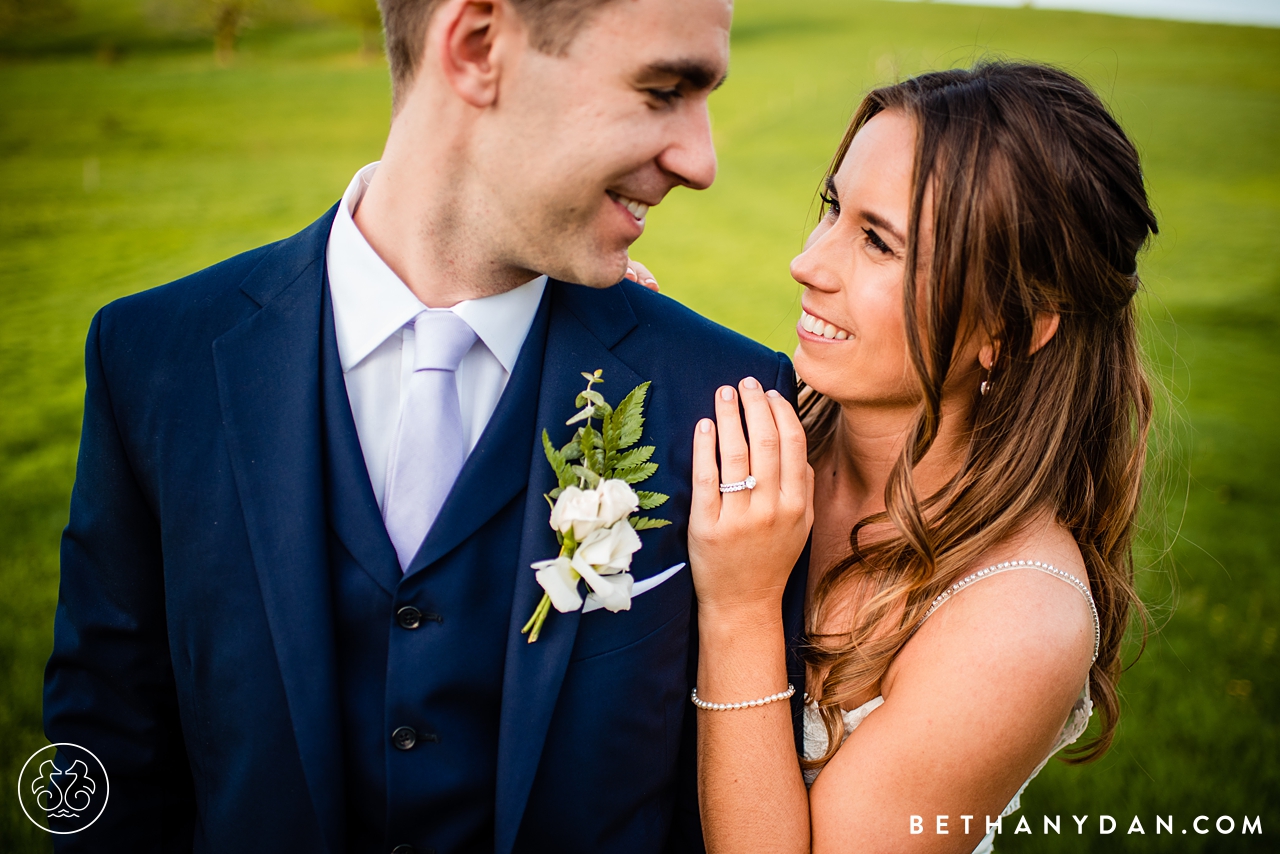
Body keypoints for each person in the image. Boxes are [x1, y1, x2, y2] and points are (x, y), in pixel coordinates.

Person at [43, 0, 808, 851]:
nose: (701, 163)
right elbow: (104, 734)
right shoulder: (154, 358)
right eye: (663, 89)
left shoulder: (722, 399)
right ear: (479, 47)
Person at [684, 62, 1156, 853]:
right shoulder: (766, 432)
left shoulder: (1018, 620)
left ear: (1006, 329)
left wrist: (739, 611)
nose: (810, 263)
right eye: (833, 209)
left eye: (877, 241)